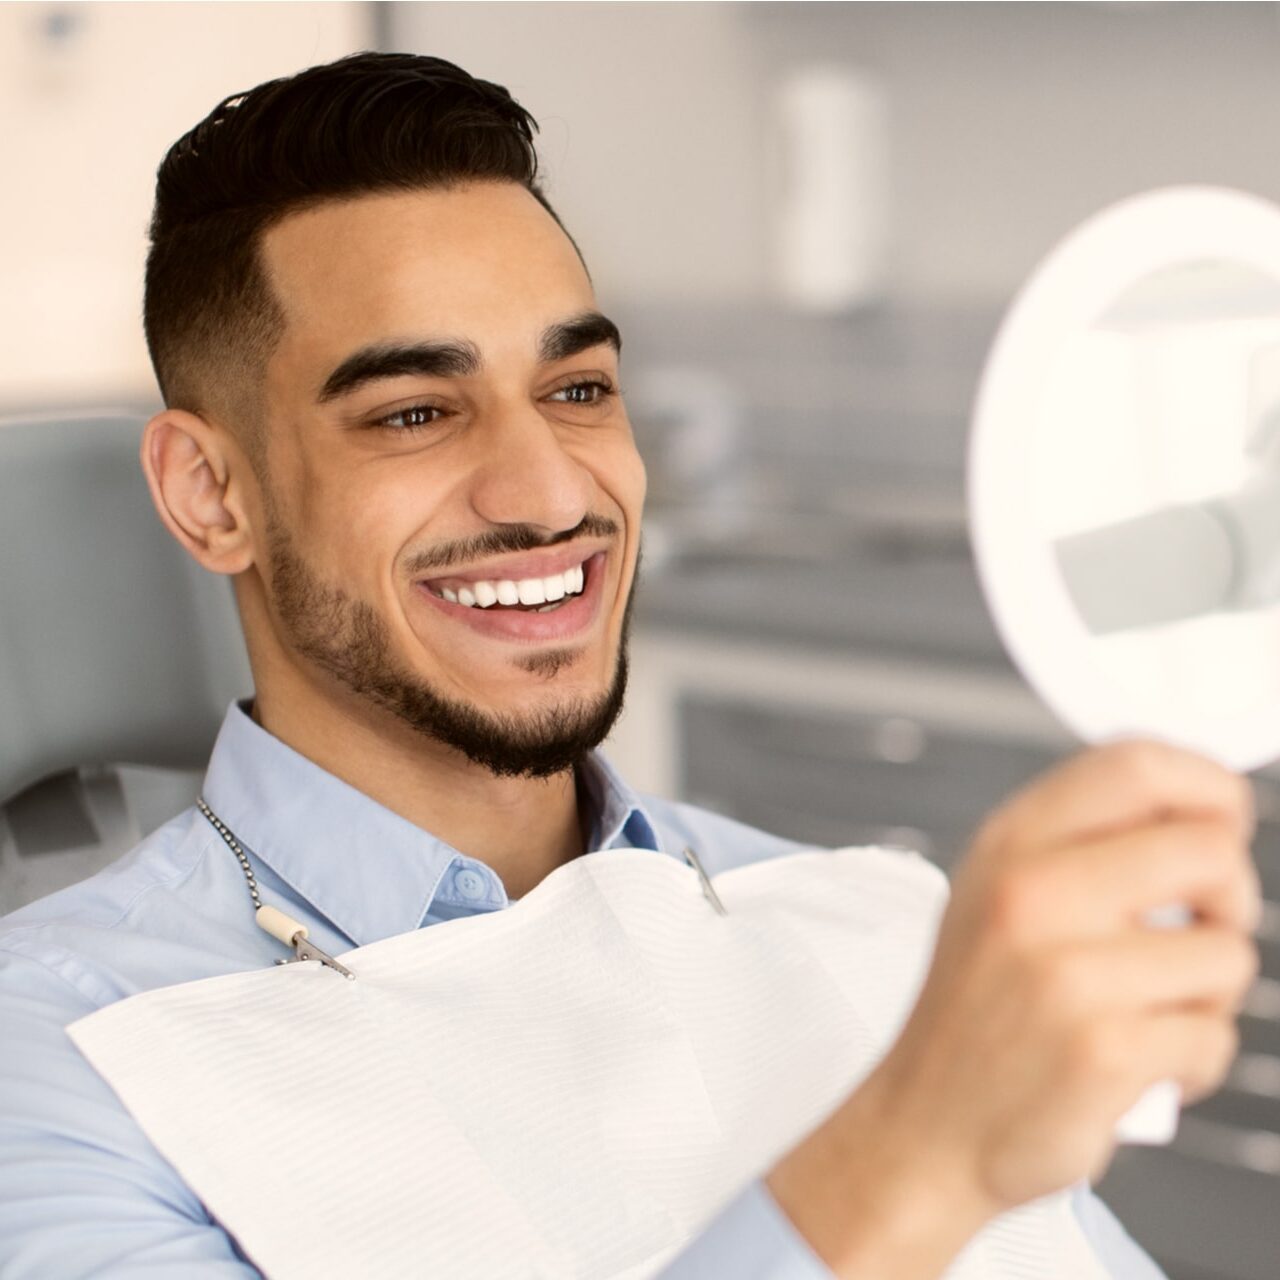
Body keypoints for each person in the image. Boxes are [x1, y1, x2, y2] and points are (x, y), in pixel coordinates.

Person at [0, 51, 1260, 1280]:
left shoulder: (869, 919)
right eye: (414, 412)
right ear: (210, 491)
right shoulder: (58, 1056)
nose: (549, 492)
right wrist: (910, 1153)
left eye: (577, 388)